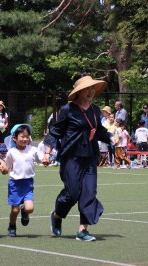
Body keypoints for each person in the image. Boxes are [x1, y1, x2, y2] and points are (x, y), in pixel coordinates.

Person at [43, 73, 110, 241]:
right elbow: (55, 131)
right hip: (71, 157)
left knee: (89, 192)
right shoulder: (68, 109)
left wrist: (111, 137)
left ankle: (83, 231)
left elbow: (99, 131)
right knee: (72, 193)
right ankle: (57, 215)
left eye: (92, 88)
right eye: (86, 89)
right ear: (79, 92)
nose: (90, 92)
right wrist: (47, 151)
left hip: (90, 157)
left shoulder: (95, 110)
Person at [5, 124, 45, 237]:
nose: (25, 139)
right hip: (15, 184)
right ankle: (12, 226)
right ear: (14, 138)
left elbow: (42, 159)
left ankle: (25, 211)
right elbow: (7, 166)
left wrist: (45, 159)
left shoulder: (33, 150)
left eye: (27, 136)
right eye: (22, 136)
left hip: (28, 183)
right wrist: (3, 169)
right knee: (14, 211)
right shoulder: (11, 152)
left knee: (30, 208)